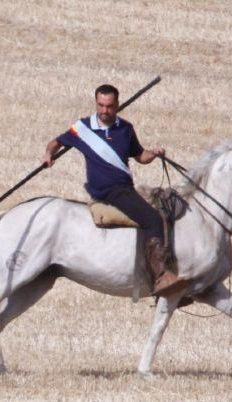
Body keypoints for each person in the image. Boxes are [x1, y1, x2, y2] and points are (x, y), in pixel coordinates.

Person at [42, 83, 186, 297]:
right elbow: (56, 142)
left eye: (109, 106)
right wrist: (48, 153)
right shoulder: (82, 128)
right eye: (100, 105)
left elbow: (140, 156)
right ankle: (161, 276)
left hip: (126, 189)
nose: (104, 111)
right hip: (108, 191)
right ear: (96, 103)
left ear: (117, 104)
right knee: (153, 219)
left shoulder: (125, 129)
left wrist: (154, 153)